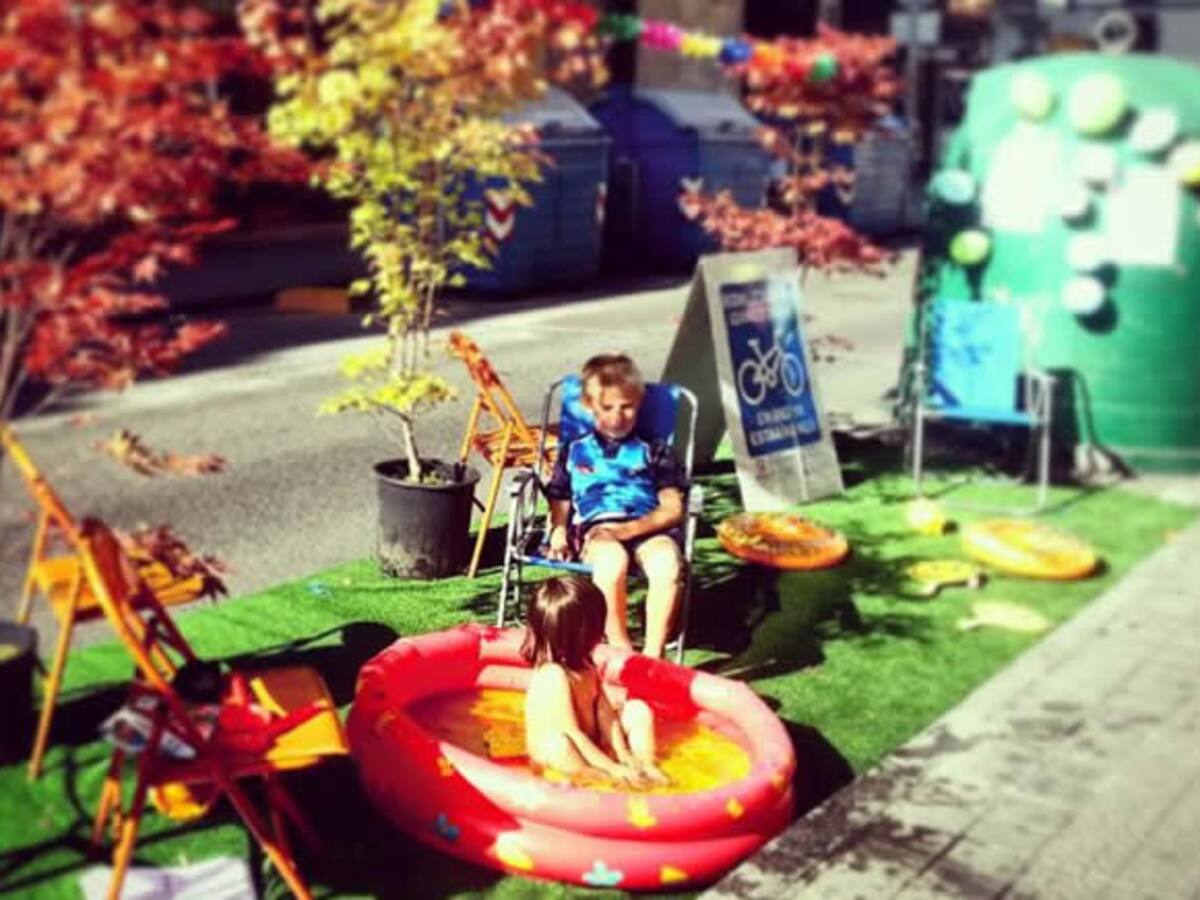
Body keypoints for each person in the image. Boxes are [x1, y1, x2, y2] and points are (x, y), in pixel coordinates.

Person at [544, 352, 685, 658]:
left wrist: (629, 530)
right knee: (611, 562)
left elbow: (673, 509)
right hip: (598, 528)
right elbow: (561, 494)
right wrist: (557, 530)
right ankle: (621, 650)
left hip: (648, 526)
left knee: (667, 565)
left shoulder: (654, 450)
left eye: (627, 407)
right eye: (607, 407)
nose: (617, 416)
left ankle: (653, 655)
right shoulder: (575, 449)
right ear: (588, 406)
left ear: (639, 402)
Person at [522, 576, 667, 785]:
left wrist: (623, 754)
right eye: (596, 628)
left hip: (589, 744)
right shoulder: (553, 675)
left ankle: (647, 764)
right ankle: (600, 782)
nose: (600, 635)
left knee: (637, 710)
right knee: (559, 745)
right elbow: (572, 734)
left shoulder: (587, 666)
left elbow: (606, 715)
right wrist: (613, 769)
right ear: (581, 634)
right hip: (563, 753)